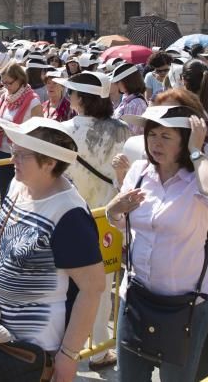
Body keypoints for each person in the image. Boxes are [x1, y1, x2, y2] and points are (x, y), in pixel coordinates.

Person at [0, 118, 105, 382]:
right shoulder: (20, 185)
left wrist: (68, 355)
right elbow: (4, 220)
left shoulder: (70, 215)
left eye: (22, 155)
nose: (13, 160)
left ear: (50, 163)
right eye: (14, 152)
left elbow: (93, 289)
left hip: (33, 352)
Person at [105, 106, 208, 381]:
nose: (155, 143)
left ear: (185, 141)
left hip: (185, 306)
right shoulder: (139, 171)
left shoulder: (198, 180)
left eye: (166, 136)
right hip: (137, 298)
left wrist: (198, 152)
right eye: (152, 134)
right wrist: (113, 210)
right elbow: (124, 223)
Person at [55, 70, 130, 371]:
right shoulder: (123, 131)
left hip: (70, 216)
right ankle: (98, 350)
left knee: (63, 285)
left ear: (80, 98)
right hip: (107, 218)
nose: (68, 97)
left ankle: (62, 348)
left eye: (71, 93)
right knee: (101, 284)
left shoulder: (62, 131)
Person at [0, 63, 42, 199]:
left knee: (20, 196)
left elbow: (39, 132)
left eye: (9, 83)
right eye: (3, 83)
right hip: (3, 152)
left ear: (20, 80)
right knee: (4, 193)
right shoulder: (4, 96)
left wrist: (12, 130)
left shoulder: (33, 101)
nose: (6, 87)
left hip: (23, 155)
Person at [111, 62, 147, 134]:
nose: (116, 84)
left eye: (118, 81)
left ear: (126, 81)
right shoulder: (128, 98)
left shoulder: (134, 104)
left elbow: (129, 133)